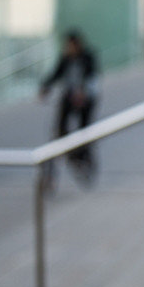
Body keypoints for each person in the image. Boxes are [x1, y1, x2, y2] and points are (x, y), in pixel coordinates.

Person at [38, 30, 100, 191]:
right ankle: (64, 147)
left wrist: (82, 92)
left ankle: (82, 154)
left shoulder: (88, 58)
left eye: (71, 46)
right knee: (60, 128)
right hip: (70, 97)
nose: (69, 49)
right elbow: (56, 73)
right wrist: (45, 87)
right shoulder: (65, 58)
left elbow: (91, 75)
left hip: (85, 98)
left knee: (83, 130)